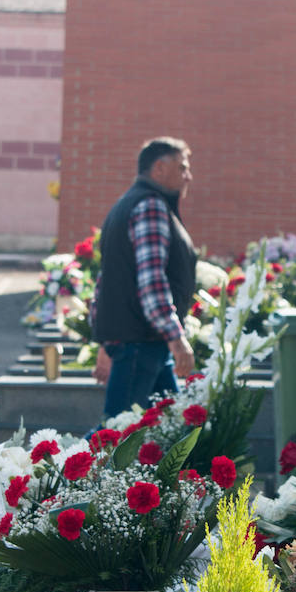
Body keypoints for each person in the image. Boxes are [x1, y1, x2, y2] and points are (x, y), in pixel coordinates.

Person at [90, 137, 197, 420]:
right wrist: (177, 340)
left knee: (170, 430)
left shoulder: (126, 204)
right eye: (182, 167)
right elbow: (152, 282)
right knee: (115, 437)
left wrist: (105, 341)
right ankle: (43, 464)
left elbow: (107, 280)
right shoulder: (150, 206)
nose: (189, 176)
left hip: (141, 344)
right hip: (141, 343)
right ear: (159, 168)